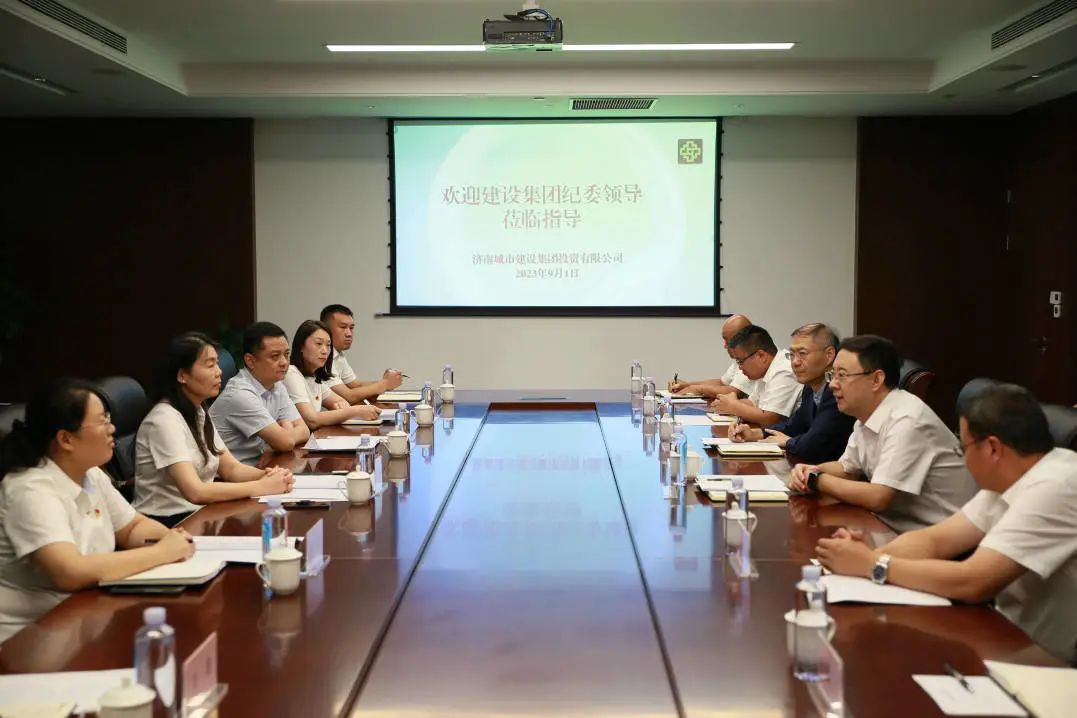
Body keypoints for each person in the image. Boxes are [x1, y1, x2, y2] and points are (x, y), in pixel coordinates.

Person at [816, 382, 1077, 664]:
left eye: (963, 447)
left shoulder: (1056, 486)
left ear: (992, 448)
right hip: (1006, 636)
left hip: (1048, 662)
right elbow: (936, 540)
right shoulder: (1009, 479)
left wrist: (873, 565)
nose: (962, 458)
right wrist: (868, 555)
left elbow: (974, 580)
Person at [0, 379, 194, 642]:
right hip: (29, 638)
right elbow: (69, 572)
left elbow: (132, 528)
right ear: (66, 439)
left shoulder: (90, 473)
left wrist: (168, 538)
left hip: (85, 616)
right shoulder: (30, 490)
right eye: (102, 421)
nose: (112, 428)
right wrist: (161, 552)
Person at [790, 335, 976, 532]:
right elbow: (847, 469)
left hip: (941, 535)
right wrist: (808, 471)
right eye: (832, 375)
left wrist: (817, 479)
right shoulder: (866, 415)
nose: (832, 385)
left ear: (876, 379)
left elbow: (878, 497)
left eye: (842, 375)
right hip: (893, 525)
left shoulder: (907, 420)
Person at [133, 333, 296, 527]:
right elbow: (195, 491)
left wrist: (270, 476)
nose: (219, 372)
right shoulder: (164, 420)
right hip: (169, 523)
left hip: (202, 514)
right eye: (210, 365)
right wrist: (261, 486)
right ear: (182, 375)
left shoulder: (198, 411)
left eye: (217, 364)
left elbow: (231, 469)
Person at [730, 323, 854, 463]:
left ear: (829, 355)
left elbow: (815, 442)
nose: (795, 362)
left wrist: (789, 442)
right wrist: (755, 433)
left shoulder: (837, 391)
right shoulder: (810, 387)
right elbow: (793, 426)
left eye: (802, 354)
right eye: (792, 354)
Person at [208, 322, 310, 464]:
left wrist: (280, 440)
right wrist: (284, 433)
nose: (284, 362)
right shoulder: (239, 394)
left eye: (286, 354)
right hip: (232, 474)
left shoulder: (276, 385)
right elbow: (285, 442)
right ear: (250, 361)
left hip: (262, 465)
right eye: (275, 356)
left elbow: (304, 431)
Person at [284, 320, 381, 429]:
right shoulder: (291, 373)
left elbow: (341, 402)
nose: (325, 351)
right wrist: (355, 411)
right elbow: (311, 420)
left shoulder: (314, 377)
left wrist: (342, 409)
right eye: (318, 344)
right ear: (301, 346)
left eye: (328, 345)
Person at [711, 325, 800, 426]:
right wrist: (725, 403)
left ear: (761, 355)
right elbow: (753, 403)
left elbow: (769, 419)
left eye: (740, 361)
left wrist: (734, 406)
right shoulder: (766, 370)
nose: (740, 368)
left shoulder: (784, 371)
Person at [319, 304, 403, 405]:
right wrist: (385, 384)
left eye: (351, 328)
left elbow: (356, 385)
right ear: (325, 330)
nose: (349, 334)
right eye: (343, 327)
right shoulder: (322, 357)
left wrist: (386, 382)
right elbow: (349, 396)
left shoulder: (338, 354)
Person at [669, 314, 756, 399]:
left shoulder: (751, 360)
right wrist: (687, 385)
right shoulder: (739, 361)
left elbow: (733, 392)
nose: (725, 346)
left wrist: (698, 389)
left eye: (728, 341)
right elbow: (722, 383)